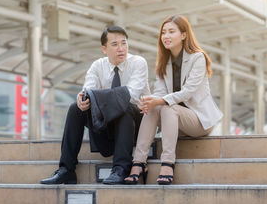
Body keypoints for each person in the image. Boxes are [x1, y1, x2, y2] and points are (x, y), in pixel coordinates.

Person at [41, 25, 150, 185]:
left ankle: (120, 169)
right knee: (75, 108)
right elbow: (88, 90)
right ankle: (66, 170)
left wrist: (96, 97)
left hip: (136, 124)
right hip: (107, 124)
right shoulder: (98, 66)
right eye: (115, 44)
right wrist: (83, 99)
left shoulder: (138, 63)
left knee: (123, 105)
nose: (121, 48)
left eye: (124, 43)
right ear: (104, 49)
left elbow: (130, 95)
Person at [124, 15, 222, 185]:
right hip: (175, 123)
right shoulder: (164, 61)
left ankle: (168, 163)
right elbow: (160, 93)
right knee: (154, 107)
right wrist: (149, 100)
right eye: (163, 33)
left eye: (171, 32)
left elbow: (187, 92)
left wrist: (159, 100)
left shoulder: (197, 58)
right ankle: (138, 163)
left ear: (184, 35)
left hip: (198, 121)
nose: (166, 36)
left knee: (168, 107)